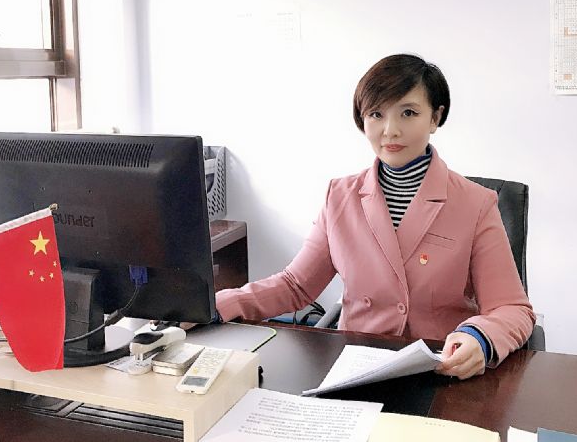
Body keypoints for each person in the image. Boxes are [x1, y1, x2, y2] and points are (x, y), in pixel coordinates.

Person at [215, 54, 535, 380]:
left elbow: (512, 308)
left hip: (440, 370)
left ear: (435, 117)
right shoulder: (339, 196)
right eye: (376, 114)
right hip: (355, 369)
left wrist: (479, 338)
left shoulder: (476, 203)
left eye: (408, 113)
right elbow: (295, 286)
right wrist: (214, 306)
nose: (390, 130)